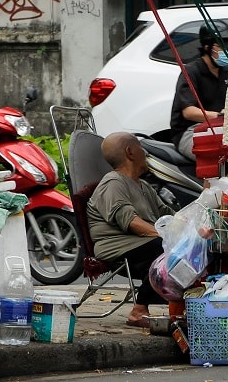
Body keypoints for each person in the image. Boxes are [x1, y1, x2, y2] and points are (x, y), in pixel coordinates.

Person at [87, 132, 175, 327]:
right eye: (141, 148)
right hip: (118, 245)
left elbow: (167, 214)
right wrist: (171, 237)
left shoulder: (143, 186)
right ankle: (139, 310)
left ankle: (181, 307)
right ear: (130, 151)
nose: (145, 153)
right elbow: (132, 223)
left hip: (141, 243)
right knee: (168, 247)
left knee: (187, 247)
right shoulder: (113, 182)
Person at [170, 25, 228, 160]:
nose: (226, 51)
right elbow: (189, 112)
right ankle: (207, 182)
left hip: (218, 128)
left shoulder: (226, 72)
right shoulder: (191, 71)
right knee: (216, 157)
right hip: (190, 131)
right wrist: (219, 115)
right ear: (207, 47)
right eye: (221, 46)